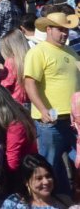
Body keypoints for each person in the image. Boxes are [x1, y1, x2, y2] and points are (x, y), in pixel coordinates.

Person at [21, 10, 79, 192]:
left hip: (74, 121)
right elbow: (29, 83)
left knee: (75, 166)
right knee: (49, 168)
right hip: (51, 121)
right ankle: (53, 202)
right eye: (60, 29)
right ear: (48, 29)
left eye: (66, 30)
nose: (64, 33)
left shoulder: (71, 52)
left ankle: (68, 199)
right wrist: (43, 109)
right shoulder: (38, 52)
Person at [0, 153, 69, 208]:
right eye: (39, 178)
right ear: (26, 181)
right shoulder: (14, 204)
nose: (46, 181)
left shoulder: (64, 202)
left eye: (48, 176)